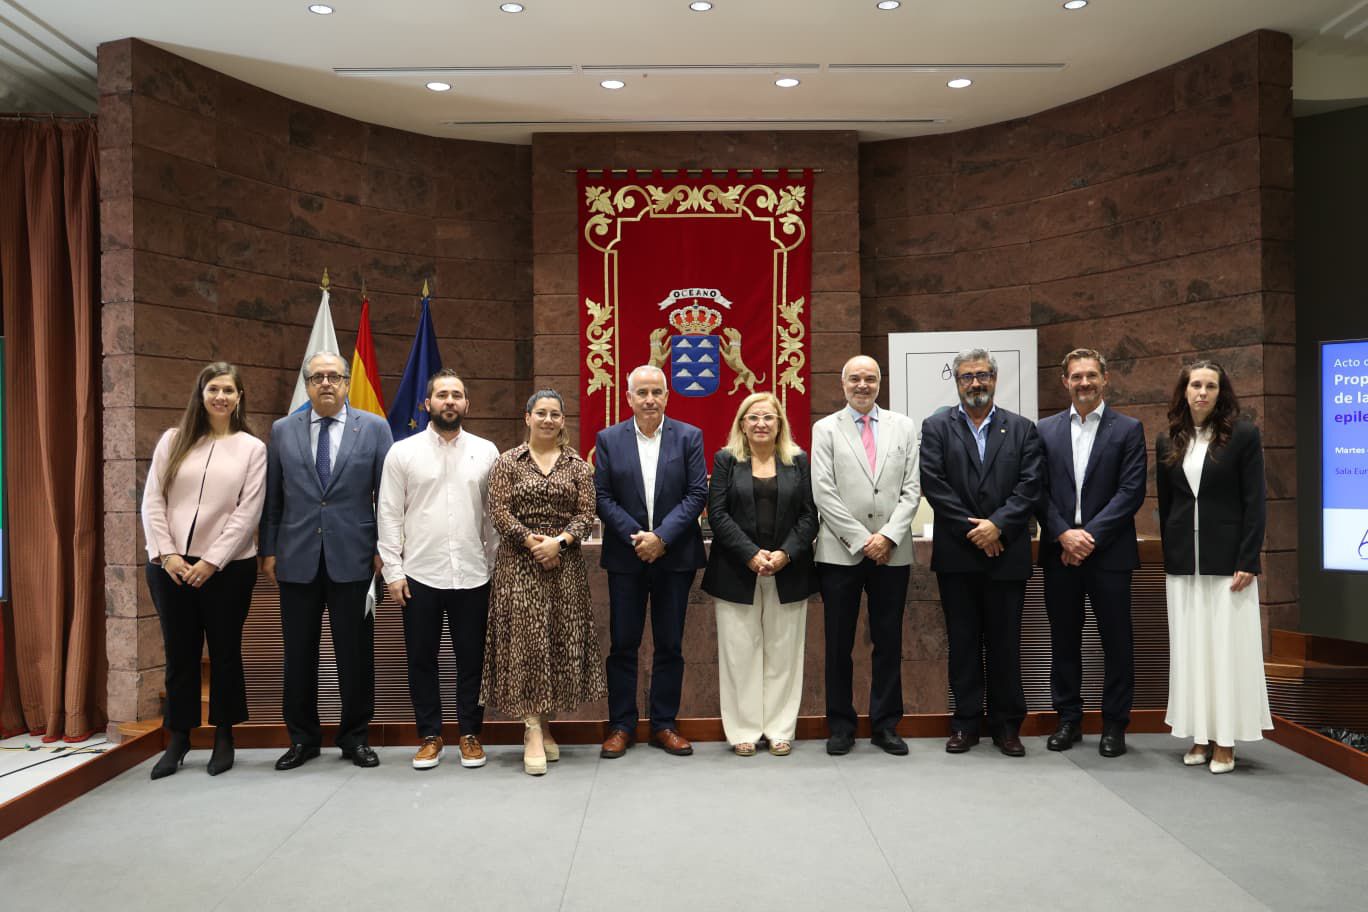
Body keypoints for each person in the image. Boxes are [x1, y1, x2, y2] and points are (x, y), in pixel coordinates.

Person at [260, 351, 393, 770]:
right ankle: (302, 739)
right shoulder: (282, 430)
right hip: (296, 558)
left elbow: (388, 498)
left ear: (347, 382)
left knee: (355, 655)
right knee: (298, 655)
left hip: (355, 558)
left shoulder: (374, 428)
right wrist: (268, 550)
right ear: (307, 384)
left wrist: (384, 549)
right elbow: (272, 497)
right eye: (317, 377)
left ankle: (355, 738)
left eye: (334, 376)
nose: (326, 383)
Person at [141, 362, 266, 779]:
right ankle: (178, 737)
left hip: (228, 569)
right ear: (201, 393)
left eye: (228, 390)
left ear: (239, 397)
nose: (220, 397)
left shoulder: (252, 448)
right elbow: (152, 501)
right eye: (213, 389)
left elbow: (248, 512)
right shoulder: (172, 440)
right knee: (180, 653)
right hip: (170, 567)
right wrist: (168, 555)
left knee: (225, 652)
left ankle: (224, 735)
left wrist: (212, 561)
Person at [920, 348, 1043, 757]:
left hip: (1007, 554)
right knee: (963, 644)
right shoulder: (936, 427)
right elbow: (934, 484)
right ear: (956, 382)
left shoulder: (1022, 429)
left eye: (983, 375)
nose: (976, 383)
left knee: (1005, 645)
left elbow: (1030, 485)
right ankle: (966, 724)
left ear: (994, 378)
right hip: (958, 555)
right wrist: (976, 530)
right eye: (967, 376)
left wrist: (998, 526)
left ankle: (1007, 727)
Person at [377, 370, 499, 771]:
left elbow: (493, 519)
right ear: (427, 403)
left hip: (474, 574)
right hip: (419, 575)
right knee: (421, 660)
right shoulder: (402, 452)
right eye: (442, 395)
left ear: (467, 405)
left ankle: (469, 735)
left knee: (472, 661)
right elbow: (389, 514)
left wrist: (496, 568)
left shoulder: (487, 452)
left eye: (457, 395)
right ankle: (429, 736)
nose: (450, 401)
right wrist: (393, 571)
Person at [482, 390, 606, 775]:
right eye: (541, 413)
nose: (548, 420)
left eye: (555, 414)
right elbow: (498, 510)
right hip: (519, 564)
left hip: (564, 566)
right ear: (528, 417)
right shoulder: (507, 462)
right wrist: (532, 542)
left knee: (554, 641)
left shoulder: (577, 465)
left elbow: (586, 513)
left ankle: (545, 722)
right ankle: (532, 729)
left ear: (563, 420)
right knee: (527, 642)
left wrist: (559, 543)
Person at [1156, 360, 1271, 774]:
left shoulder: (1243, 435)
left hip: (1228, 565)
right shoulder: (1168, 439)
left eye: (1210, 386)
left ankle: (1225, 742)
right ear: (1184, 391)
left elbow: (1255, 502)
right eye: (1195, 385)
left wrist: (1248, 559)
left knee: (1226, 652)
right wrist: (1172, 554)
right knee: (1192, 653)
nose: (1202, 392)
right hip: (1184, 564)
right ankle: (1200, 737)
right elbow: (1167, 504)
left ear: (1222, 393)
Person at [594, 364, 708, 759]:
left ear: (667, 396)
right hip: (626, 558)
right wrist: (639, 538)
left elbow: (696, 494)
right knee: (623, 644)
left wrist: (661, 537)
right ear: (628, 398)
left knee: (670, 644)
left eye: (656, 392)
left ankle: (664, 724)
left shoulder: (689, 437)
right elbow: (602, 496)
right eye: (641, 392)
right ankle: (621, 725)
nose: (649, 399)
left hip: (674, 557)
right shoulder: (608, 439)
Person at [1037, 349, 1147, 758]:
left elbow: (1131, 492)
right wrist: (1064, 535)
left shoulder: (1128, 429)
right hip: (1060, 553)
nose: (1084, 383)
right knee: (1064, 641)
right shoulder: (1044, 430)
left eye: (1091, 375)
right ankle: (1069, 719)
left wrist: (1088, 537)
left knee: (1117, 643)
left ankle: (1114, 725)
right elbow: (1037, 491)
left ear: (1105, 378)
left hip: (1110, 554)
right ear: (1064, 381)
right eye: (1076, 376)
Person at [811, 355, 922, 756]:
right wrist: (862, 539)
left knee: (888, 641)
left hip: (892, 553)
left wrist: (888, 537)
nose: (863, 385)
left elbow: (912, 489)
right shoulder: (825, 429)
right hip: (840, 553)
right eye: (855, 378)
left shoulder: (903, 426)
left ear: (879, 383)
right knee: (838, 644)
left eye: (870, 379)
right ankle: (841, 726)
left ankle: (885, 725)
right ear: (843, 384)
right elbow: (823, 491)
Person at [702, 392, 818, 757]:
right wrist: (751, 554)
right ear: (742, 424)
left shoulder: (798, 460)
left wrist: (785, 553)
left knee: (785, 653)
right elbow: (717, 514)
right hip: (736, 569)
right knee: (739, 654)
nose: (761, 424)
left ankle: (780, 729)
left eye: (768, 417)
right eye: (753, 418)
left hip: (789, 569)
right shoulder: (726, 460)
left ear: (780, 423)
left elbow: (809, 515)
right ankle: (744, 731)